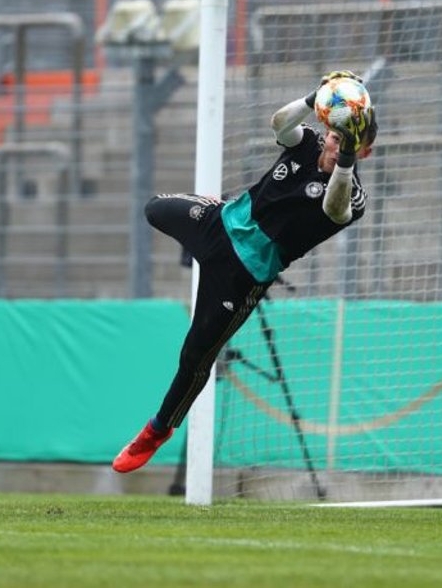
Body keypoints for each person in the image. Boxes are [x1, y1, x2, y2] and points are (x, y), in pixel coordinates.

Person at [112, 70, 378, 473]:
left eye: (340, 140)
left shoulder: (351, 194)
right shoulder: (308, 142)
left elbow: (334, 209)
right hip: (219, 223)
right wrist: (315, 96)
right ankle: (223, 206)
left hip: (242, 274)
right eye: (331, 134)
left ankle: (158, 428)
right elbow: (280, 124)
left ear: (362, 151)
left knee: (196, 356)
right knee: (155, 208)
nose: (330, 141)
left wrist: (344, 158)